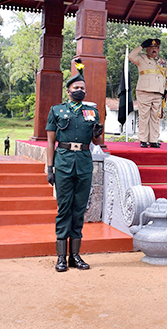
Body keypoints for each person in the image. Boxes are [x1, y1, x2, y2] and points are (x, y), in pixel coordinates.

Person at [46, 63, 103, 272]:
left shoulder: (91, 112)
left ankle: (75, 256)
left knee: (79, 210)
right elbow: (50, 142)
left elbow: (97, 143)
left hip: (84, 165)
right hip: (63, 163)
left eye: (83, 88)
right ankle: (61, 257)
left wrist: (98, 132)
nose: (80, 90)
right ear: (68, 90)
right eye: (76, 88)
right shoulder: (57, 110)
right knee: (64, 209)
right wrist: (49, 168)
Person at [128, 38, 167, 148]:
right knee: (144, 116)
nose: (154, 50)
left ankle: (153, 140)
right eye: (151, 48)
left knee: (155, 117)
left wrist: (166, 89)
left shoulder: (163, 62)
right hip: (144, 91)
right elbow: (130, 56)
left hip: (158, 93)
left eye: (156, 48)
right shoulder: (141, 58)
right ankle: (143, 139)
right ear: (147, 49)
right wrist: (141, 46)